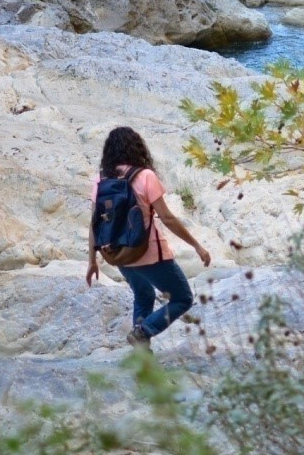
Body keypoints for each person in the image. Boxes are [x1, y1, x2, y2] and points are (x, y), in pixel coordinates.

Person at [86, 126, 212, 348]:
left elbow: (95, 223)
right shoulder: (145, 176)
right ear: (137, 148)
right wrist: (196, 245)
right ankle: (144, 331)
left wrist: (92, 261)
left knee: (143, 296)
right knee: (182, 298)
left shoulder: (100, 180)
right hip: (149, 252)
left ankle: (143, 360)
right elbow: (167, 218)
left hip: (119, 254)